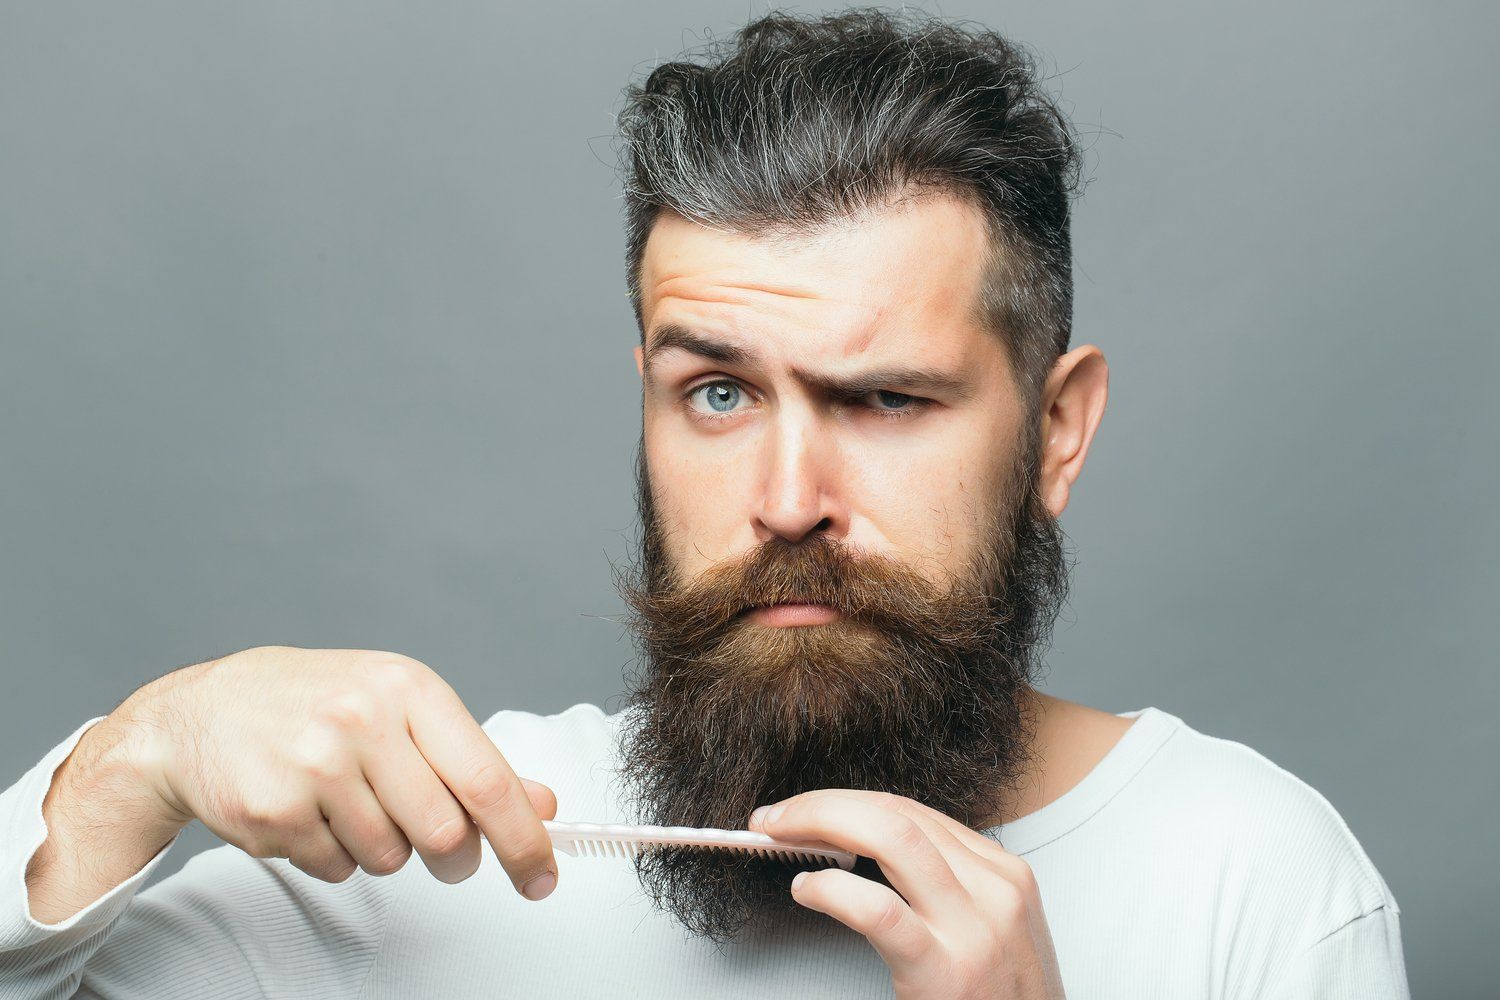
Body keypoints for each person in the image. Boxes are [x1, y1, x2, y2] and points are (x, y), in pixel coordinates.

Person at [0, 8, 1409, 998]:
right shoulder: (414, 864)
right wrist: (137, 761)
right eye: (718, 393)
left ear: (1055, 430)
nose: (786, 503)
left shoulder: (1255, 885)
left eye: (886, 399)